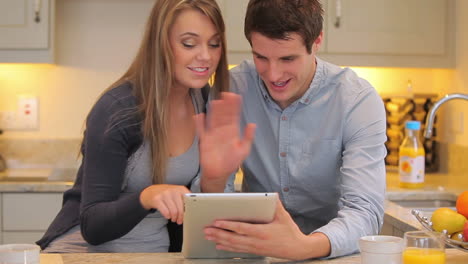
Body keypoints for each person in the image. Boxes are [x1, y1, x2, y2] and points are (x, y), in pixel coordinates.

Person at [195, 0, 387, 260]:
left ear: (317, 41)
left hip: (328, 254)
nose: (274, 75)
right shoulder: (232, 88)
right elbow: (213, 203)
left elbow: (365, 213)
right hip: (254, 251)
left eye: (288, 58)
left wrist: (304, 247)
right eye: (261, 57)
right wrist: (213, 181)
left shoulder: (356, 100)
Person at [36, 0, 233, 253]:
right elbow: (93, 227)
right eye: (189, 43)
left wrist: (214, 180)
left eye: (214, 43)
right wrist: (148, 197)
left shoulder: (203, 100)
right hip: (83, 253)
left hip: (152, 252)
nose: (206, 55)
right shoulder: (118, 109)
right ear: (160, 44)